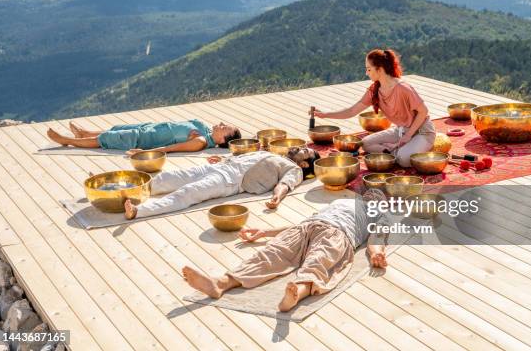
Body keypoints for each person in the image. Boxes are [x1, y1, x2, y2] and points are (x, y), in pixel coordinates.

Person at [181, 190, 390, 312]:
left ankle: (295, 294)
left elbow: (376, 237)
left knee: (318, 263)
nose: (373, 196)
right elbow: (301, 222)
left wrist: (376, 254)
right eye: (371, 193)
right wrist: (265, 232)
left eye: (378, 197)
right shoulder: (342, 201)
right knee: (271, 254)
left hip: (338, 234)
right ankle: (220, 283)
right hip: (307, 227)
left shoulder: (380, 214)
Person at [313, 49, 435, 167]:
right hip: (401, 131)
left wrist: (408, 136)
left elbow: (423, 111)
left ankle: (399, 152)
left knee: (404, 160)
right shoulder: (374, 90)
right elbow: (351, 111)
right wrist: (325, 114)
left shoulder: (403, 88)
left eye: (369, 69)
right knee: (365, 143)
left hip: (422, 131)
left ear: (380, 69)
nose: (367, 73)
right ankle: (394, 152)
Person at [124, 147, 321, 220]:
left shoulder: (294, 169)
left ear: (304, 163)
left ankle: (139, 210)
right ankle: (124, 192)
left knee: (188, 193)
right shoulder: (271, 153)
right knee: (168, 178)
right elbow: (244, 157)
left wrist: (277, 197)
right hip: (220, 167)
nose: (300, 147)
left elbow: (286, 184)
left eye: (305, 152)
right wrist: (223, 158)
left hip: (231, 180)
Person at [46, 120, 241, 153]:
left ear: (223, 140)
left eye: (225, 128)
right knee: (116, 129)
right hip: (149, 128)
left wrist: (143, 153)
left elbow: (169, 149)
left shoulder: (199, 142)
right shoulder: (203, 131)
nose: (221, 125)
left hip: (143, 140)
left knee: (108, 139)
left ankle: (69, 141)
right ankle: (84, 134)